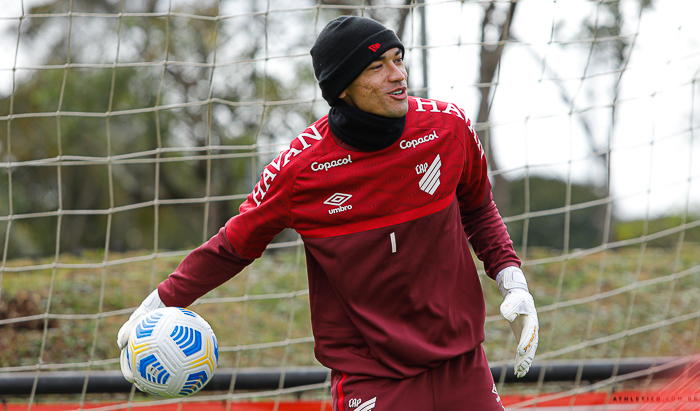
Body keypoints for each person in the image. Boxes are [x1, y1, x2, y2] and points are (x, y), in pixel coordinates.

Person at [117, 15, 539, 410]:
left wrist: (512, 280)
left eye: (398, 59)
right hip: (371, 376)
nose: (398, 74)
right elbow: (232, 246)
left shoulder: (448, 129)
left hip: (463, 364)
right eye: (376, 66)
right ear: (342, 88)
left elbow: (478, 208)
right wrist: (159, 302)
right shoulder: (300, 170)